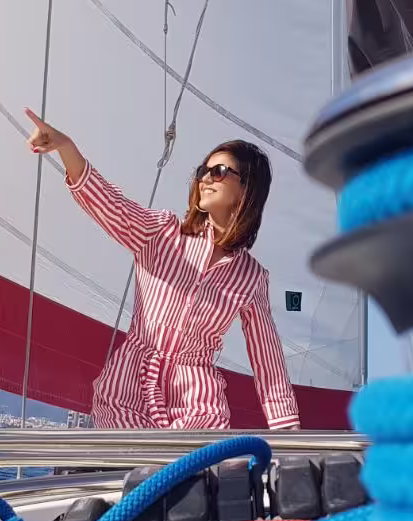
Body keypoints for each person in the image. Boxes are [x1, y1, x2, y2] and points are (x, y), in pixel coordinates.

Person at [23, 108, 301, 430]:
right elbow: (110, 206)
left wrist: (288, 435)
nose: (206, 178)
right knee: (134, 477)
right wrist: (66, 147)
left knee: (194, 477)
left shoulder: (252, 278)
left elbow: (268, 363)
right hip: (127, 390)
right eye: (203, 171)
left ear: (246, 189)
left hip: (198, 405)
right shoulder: (162, 232)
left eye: (220, 171)